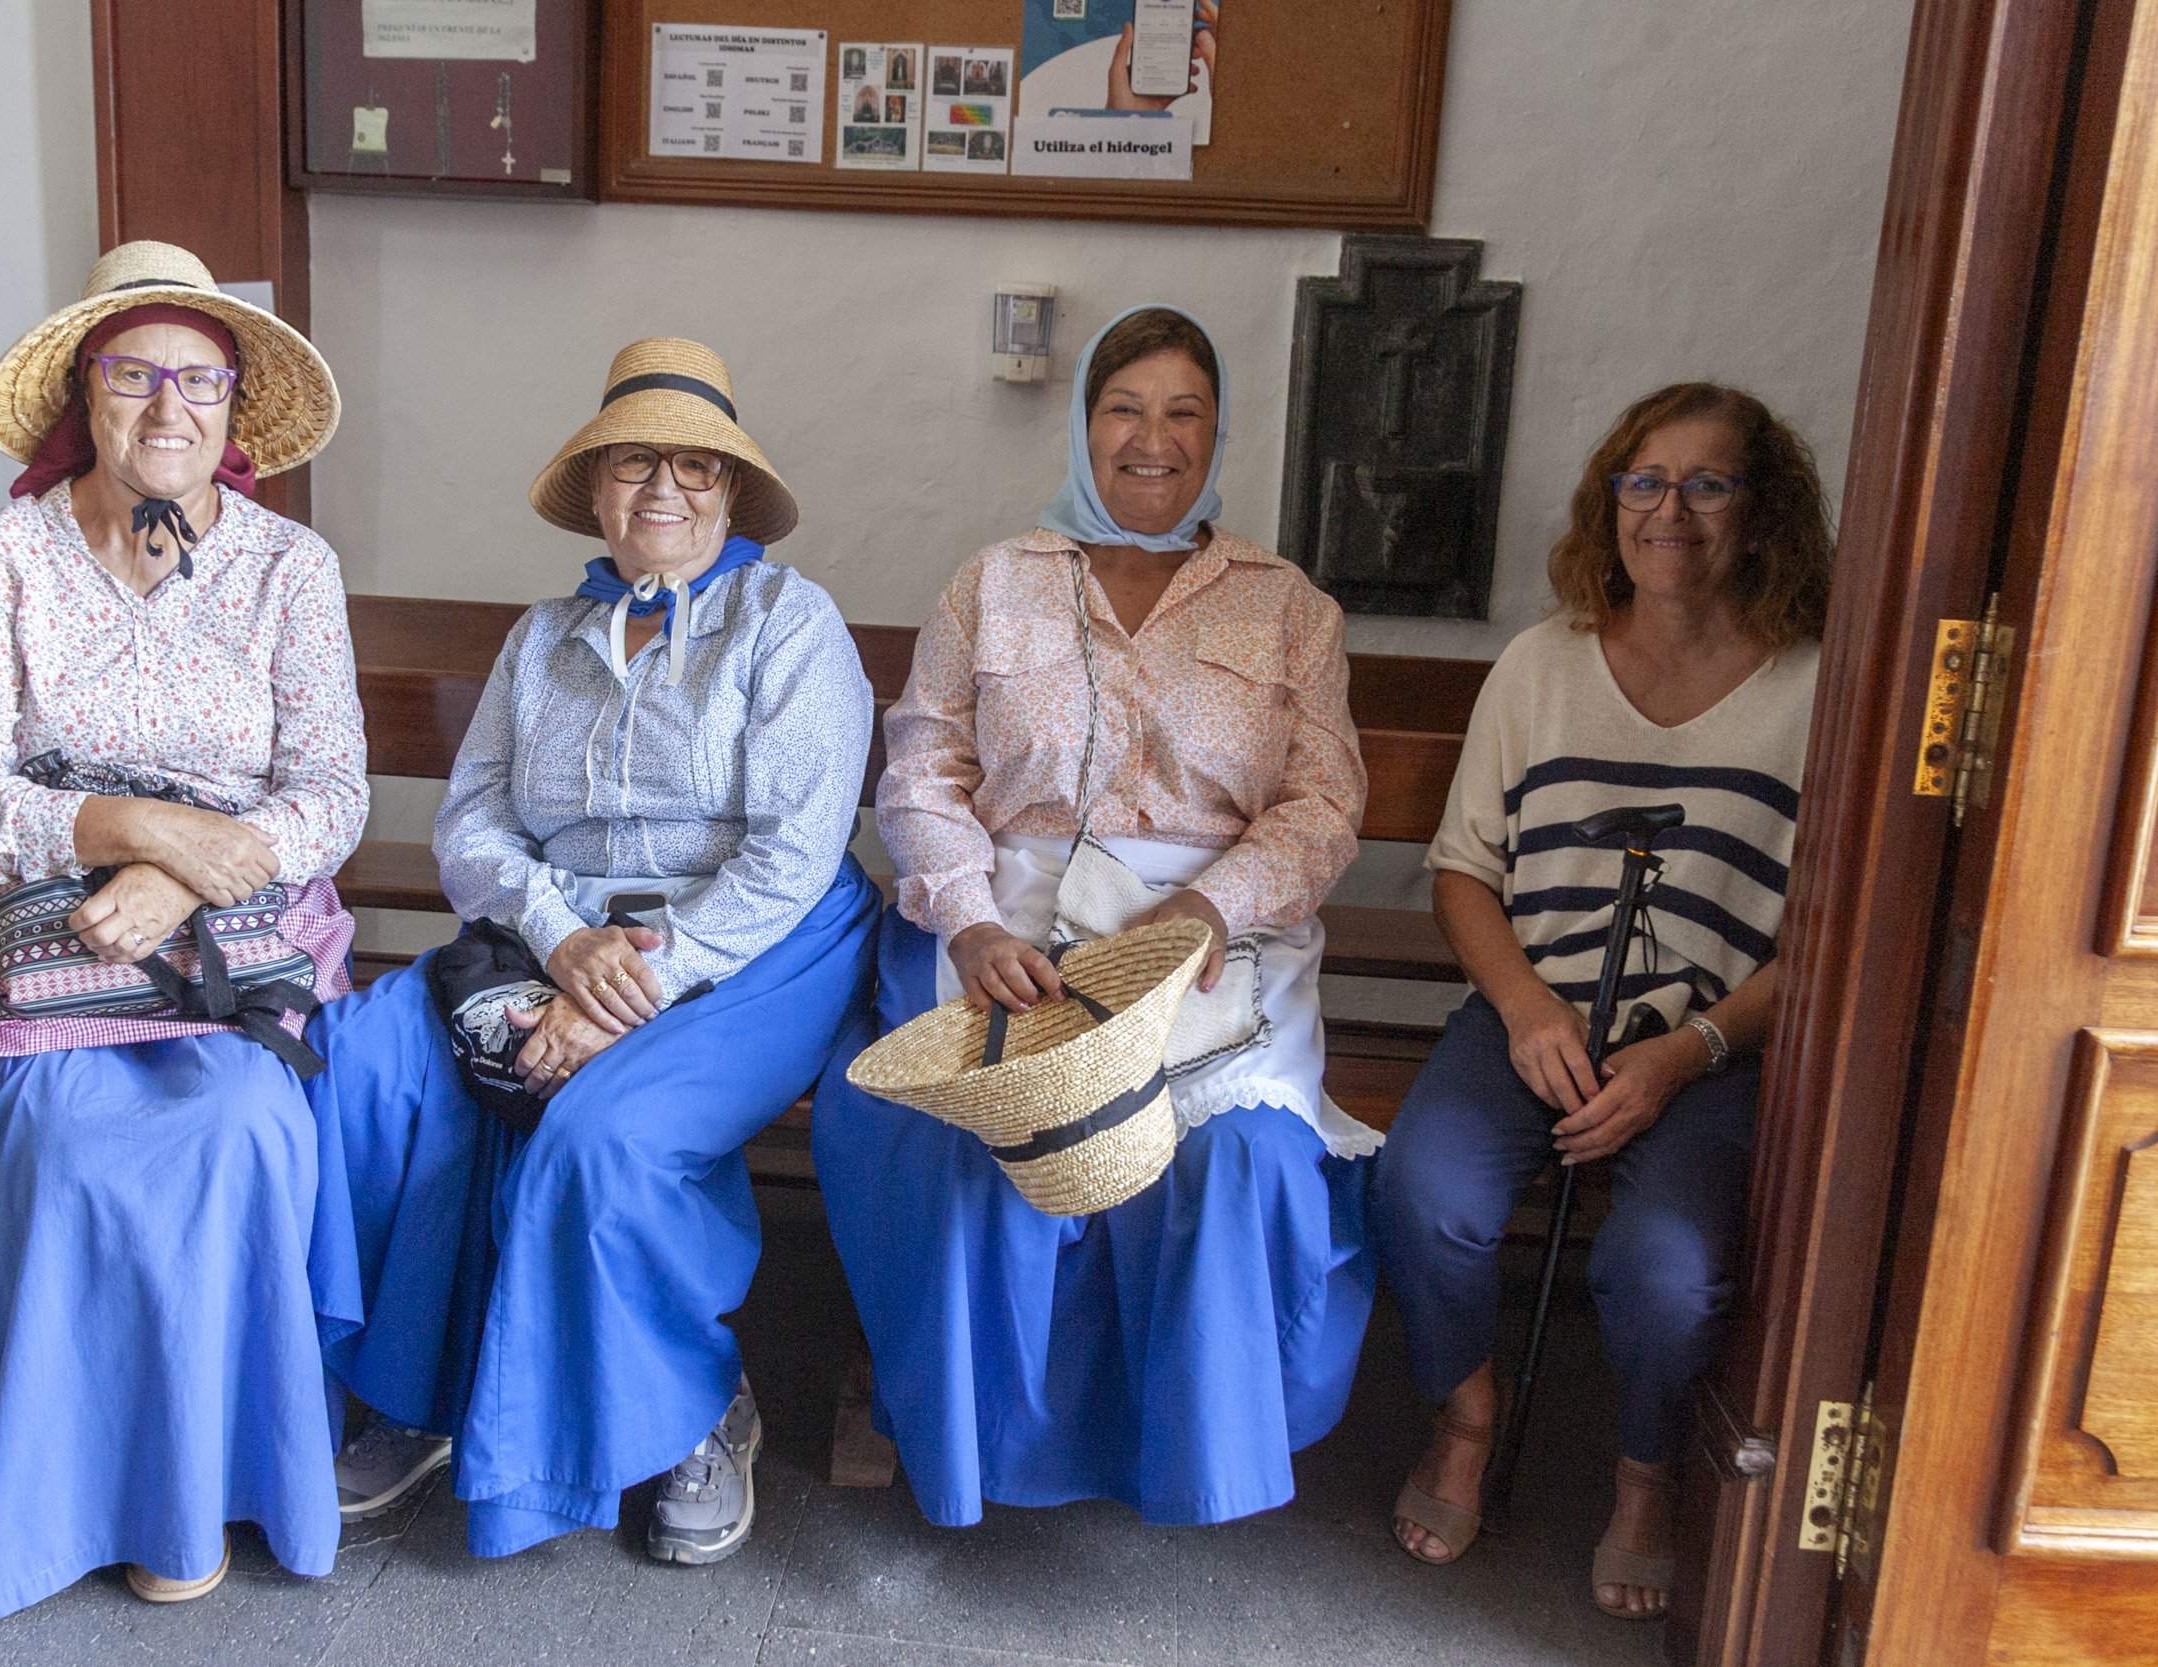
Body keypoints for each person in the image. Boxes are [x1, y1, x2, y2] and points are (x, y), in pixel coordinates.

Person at [307, 339, 877, 1566]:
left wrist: (639, 978)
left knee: (606, 1130)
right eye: (633, 461)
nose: (662, 489)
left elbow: (792, 851)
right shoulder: (544, 635)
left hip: (747, 940)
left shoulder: (789, 621)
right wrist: (562, 939)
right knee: (359, 1063)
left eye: (693, 464)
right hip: (551, 933)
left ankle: (698, 1407)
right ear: (597, 485)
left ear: (729, 490)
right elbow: (471, 816)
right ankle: (419, 1387)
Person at [811, 305, 1376, 1529]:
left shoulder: (1288, 607)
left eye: (1184, 412)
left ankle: (1182, 1451)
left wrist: (1205, 906)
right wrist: (964, 917)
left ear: (1217, 435)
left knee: (1239, 1153)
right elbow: (922, 768)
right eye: (1124, 407)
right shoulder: (997, 580)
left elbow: (1325, 804)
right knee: (958, 1126)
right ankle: (949, 1415)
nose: (1151, 438)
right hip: (1008, 910)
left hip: (1212, 925)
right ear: (1082, 424)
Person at [0, 240, 368, 1618]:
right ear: (82, 398)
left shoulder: (290, 567)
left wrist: (205, 871)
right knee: (64, 1140)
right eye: (135, 374)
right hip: (27, 917)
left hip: (241, 917)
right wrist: (131, 831)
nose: (170, 407)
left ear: (234, 405)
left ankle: (202, 1479)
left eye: (199, 380)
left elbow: (331, 789)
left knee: (242, 1129)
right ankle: (60, 1487)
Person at [1372, 382, 1832, 1620]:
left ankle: (1642, 1471)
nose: (1665, 510)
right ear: (1608, 500)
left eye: (1706, 483)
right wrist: (1524, 1009)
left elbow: (1831, 936)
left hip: (1709, 1046)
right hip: (1534, 1014)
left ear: (1761, 509)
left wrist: (1684, 1053)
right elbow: (1466, 866)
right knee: (1424, 1190)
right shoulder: (1542, 663)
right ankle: (1465, 1418)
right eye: (1642, 480)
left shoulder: (1815, 687)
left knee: (1666, 1269)